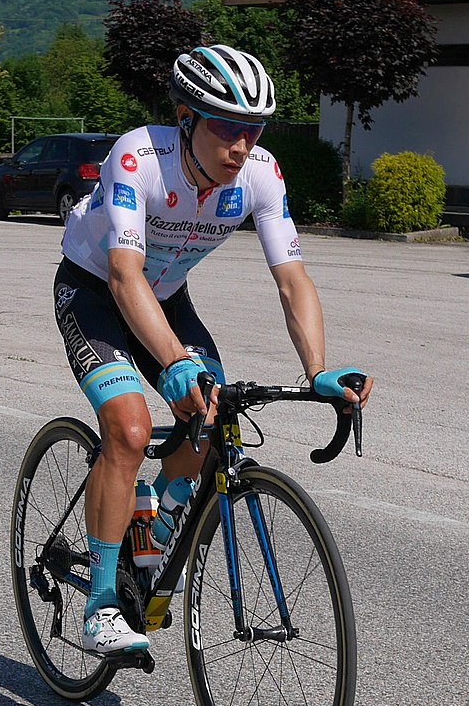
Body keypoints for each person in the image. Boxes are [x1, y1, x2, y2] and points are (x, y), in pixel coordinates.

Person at [53, 44, 373, 655]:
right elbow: (124, 276)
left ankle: (157, 519)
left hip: (167, 297)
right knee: (128, 427)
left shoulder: (260, 175)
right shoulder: (139, 156)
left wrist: (319, 372)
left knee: (212, 415)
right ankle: (99, 605)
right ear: (185, 117)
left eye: (253, 130)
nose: (242, 146)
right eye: (227, 127)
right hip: (96, 289)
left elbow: (292, 278)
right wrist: (172, 360)